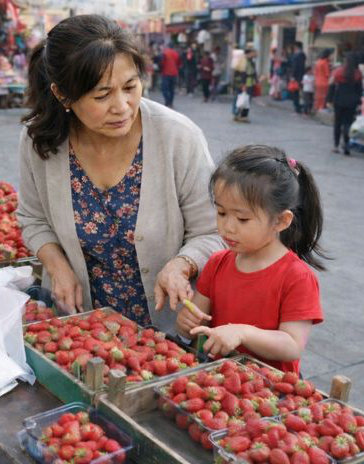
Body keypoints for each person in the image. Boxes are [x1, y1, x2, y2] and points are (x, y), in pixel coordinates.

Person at [19, 15, 223, 332]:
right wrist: (57, 265)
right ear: (62, 95)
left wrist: (182, 264)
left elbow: (213, 231)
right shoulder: (42, 140)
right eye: (102, 95)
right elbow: (33, 219)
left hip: (168, 337)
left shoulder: (177, 137)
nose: (122, 106)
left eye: (130, 86)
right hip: (80, 332)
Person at [176, 145, 325, 375]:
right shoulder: (217, 263)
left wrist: (242, 333)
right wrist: (188, 323)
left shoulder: (297, 277)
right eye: (222, 213)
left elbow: (292, 345)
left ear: (281, 221)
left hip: (268, 390)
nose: (227, 227)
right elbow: (198, 324)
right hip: (215, 380)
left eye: (243, 219)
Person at [328, 52, 363, 155]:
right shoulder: (357, 74)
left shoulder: (338, 72)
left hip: (339, 100)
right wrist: (358, 101)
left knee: (337, 123)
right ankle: (346, 145)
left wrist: (329, 100)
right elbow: (359, 90)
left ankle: (336, 146)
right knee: (348, 123)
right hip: (352, 102)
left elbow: (332, 86)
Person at [233, 45, 257, 123]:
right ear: (249, 53)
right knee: (244, 99)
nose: (255, 54)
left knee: (245, 99)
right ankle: (241, 115)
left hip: (249, 83)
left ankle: (240, 115)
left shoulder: (251, 61)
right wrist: (243, 85)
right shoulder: (244, 61)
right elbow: (243, 73)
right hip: (245, 83)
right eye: (254, 52)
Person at [159, 41, 180, 107]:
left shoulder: (165, 53)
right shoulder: (176, 54)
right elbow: (179, 64)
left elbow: (161, 63)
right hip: (174, 73)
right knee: (172, 89)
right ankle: (170, 103)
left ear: (168, 46)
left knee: (164, 89)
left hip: (166, 73)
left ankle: (167, 101)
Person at [290, 42, 306, 113]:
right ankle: (298, 106)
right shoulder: (302, 55)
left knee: (296, 91)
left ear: (296, 47)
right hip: (300, 76)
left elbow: (295, 67)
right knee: (297, 92)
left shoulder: (298, 55)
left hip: (297, 77)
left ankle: (298, 107)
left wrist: (293, 76)